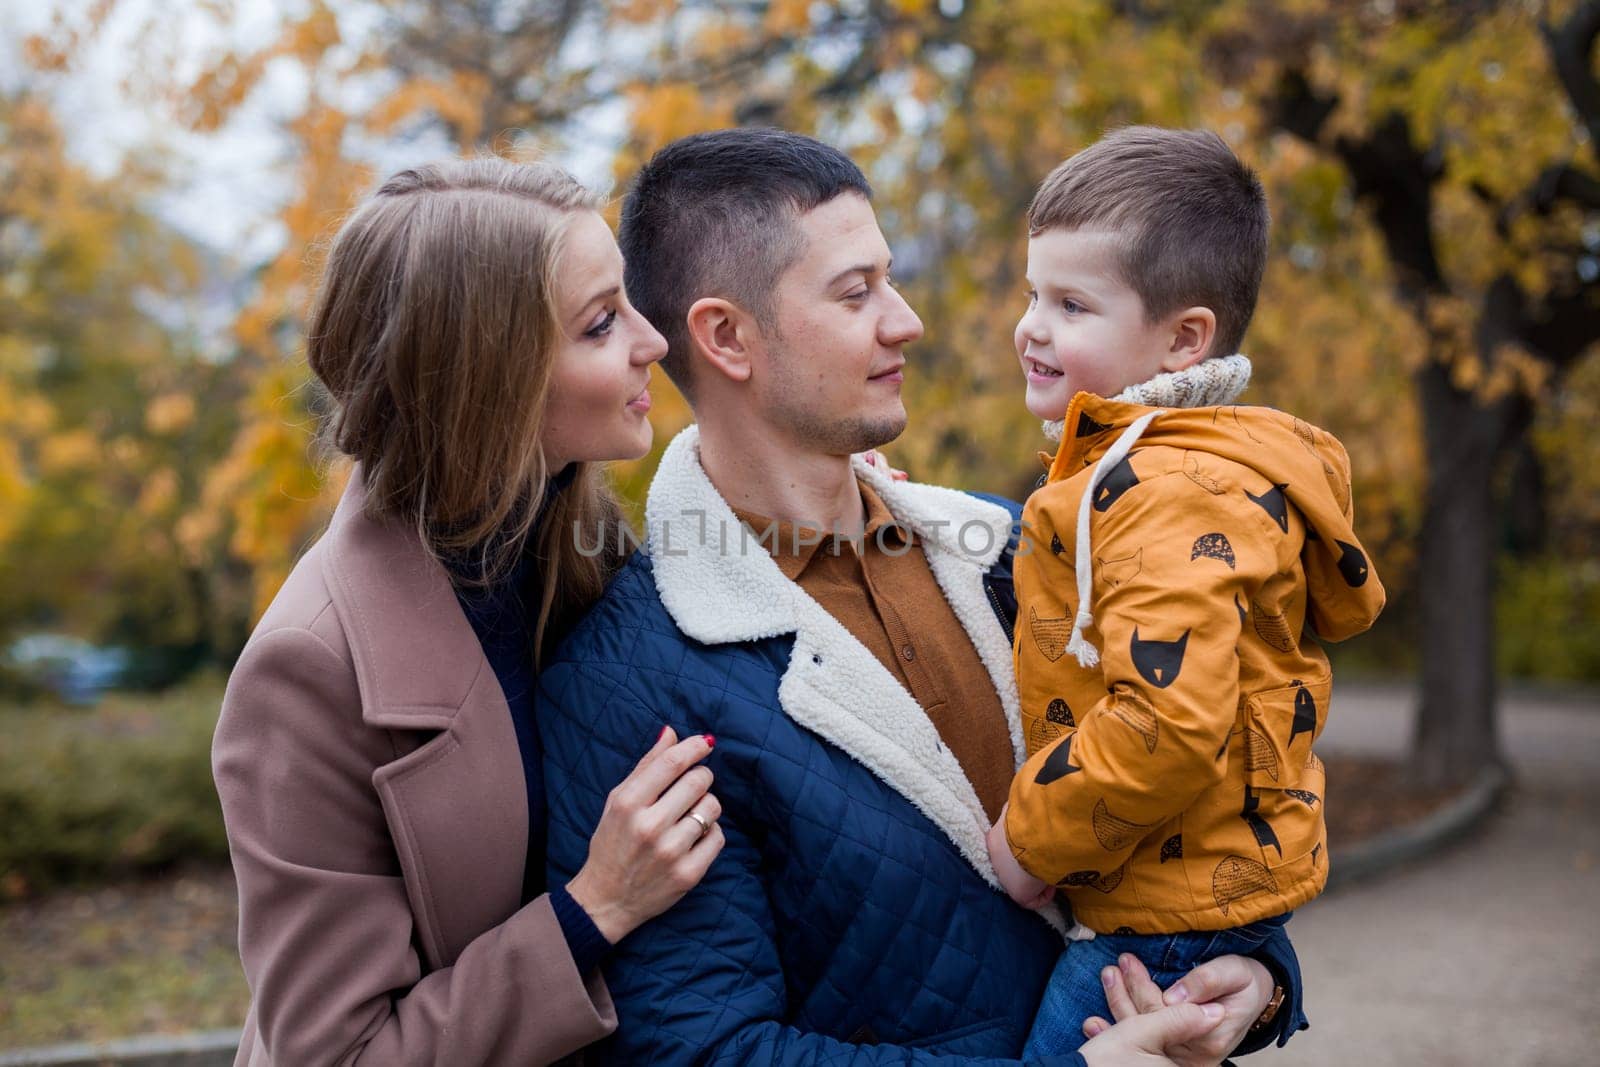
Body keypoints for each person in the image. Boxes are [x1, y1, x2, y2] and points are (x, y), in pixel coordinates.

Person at [537, 127, 1303, 1066]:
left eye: (888, 280)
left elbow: (1190, 771)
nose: (906, 320)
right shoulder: (630, 681)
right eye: (856, 293)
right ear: (726, 337)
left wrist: (1256, 977)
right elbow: (707, 1050)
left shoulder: (1011, 548)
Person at [211, 158, 729, 1065]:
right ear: (489, 377)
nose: (653, 341)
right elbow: (337, 1054)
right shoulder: (306, 672)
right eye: (602, 322)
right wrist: (594, 908)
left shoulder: (579, 543)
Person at [980, 126, 1387, 1056]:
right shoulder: (1167, 470)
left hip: (1160, 912)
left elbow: (1167, 724)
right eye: (1032, 292)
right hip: (1187, 889)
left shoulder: (1164, 496)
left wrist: (1029, 842)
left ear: (1182, 339)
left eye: (1072, 304)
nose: (1031, 326)